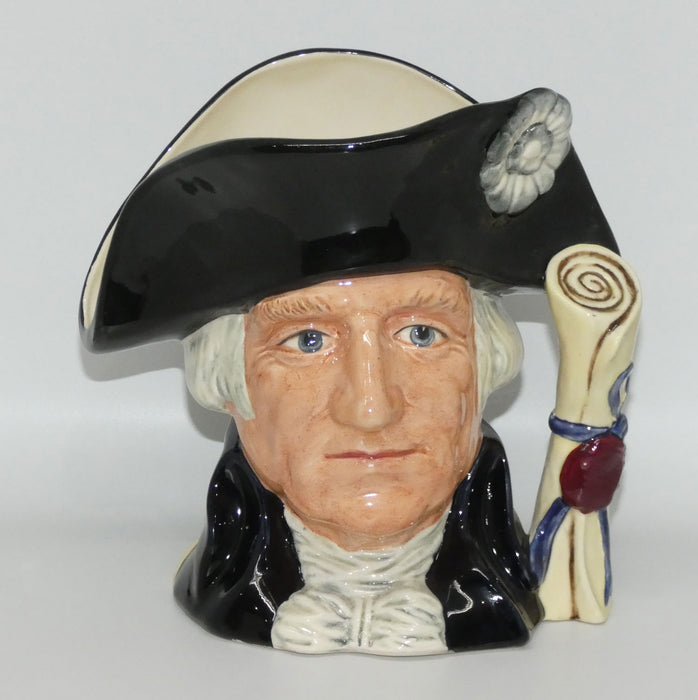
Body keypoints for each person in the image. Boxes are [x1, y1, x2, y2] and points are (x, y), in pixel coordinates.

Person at [80, 49, 621, 653]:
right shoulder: (234, 581)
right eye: (308, 341)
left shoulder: (509, 572)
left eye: (422, 334)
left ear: (485, 363)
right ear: (227, 383)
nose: (371, 407)